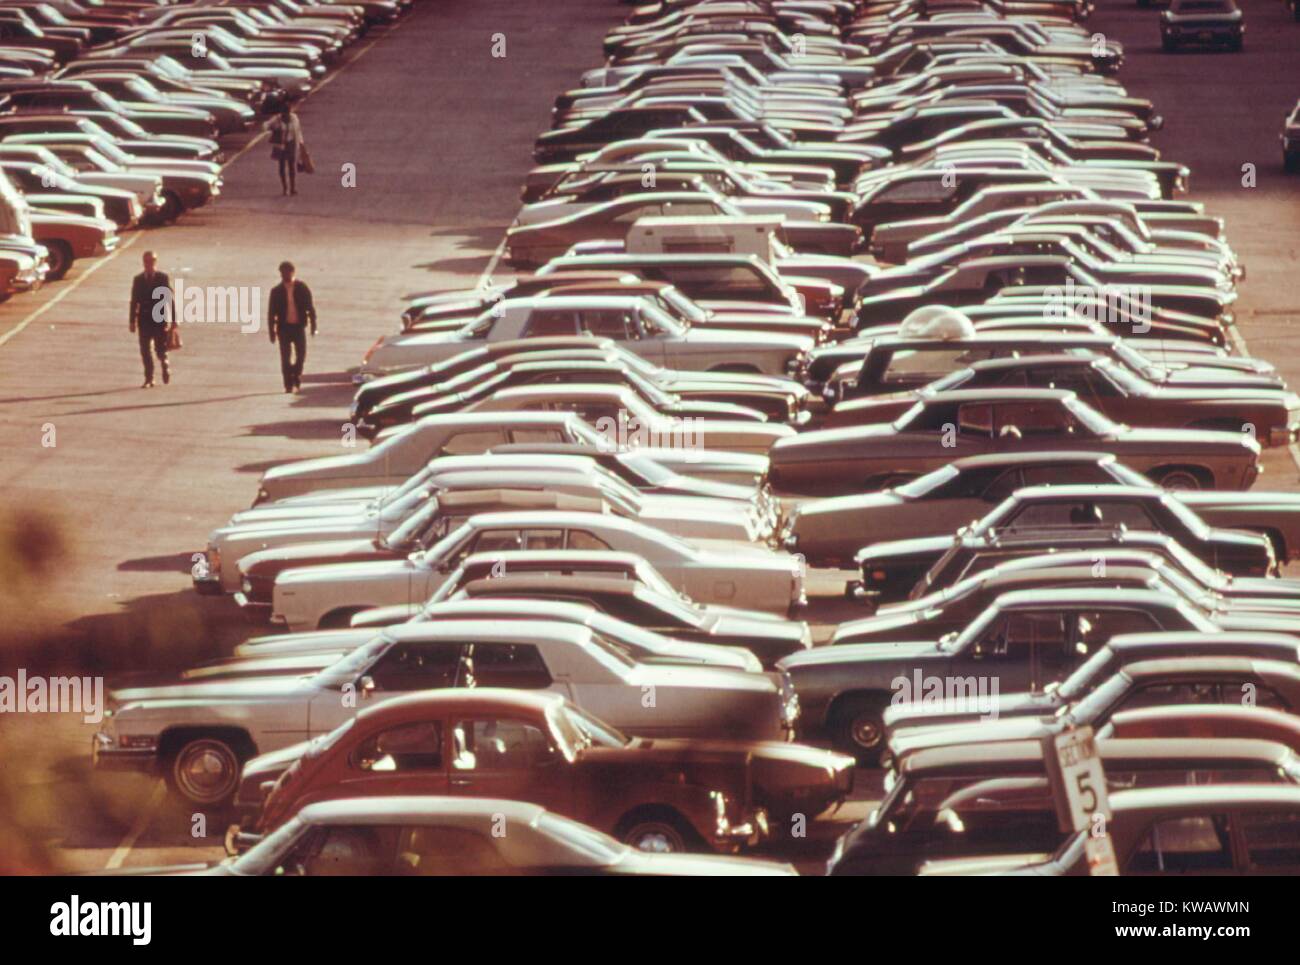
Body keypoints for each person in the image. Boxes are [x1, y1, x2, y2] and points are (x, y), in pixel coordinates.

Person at [128, 250, 176, 388]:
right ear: (143, 262)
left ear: (156, 262)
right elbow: (134, 301)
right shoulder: (138, 279)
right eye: (147, 261)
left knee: (160, 348)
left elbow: (169, 299)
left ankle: (164, 362)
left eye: (152, 261)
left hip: (159, 319)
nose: (149, 264)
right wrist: (132, 321)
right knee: (145, 350)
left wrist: (174, 320)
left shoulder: (162, 277)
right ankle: (149, 378)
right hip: (143, 320)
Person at [268, 261, 317, 394]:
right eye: (282, 272)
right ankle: (288, 384)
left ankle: (296, 375)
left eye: (287, 272)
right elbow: (271, 313)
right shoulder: (276, 291)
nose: (284, 275)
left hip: (298, 327)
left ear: (292, 272)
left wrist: (313, 325)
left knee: (301, 355)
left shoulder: (302, 288)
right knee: (285, 358)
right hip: (284, 329)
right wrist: (271, 332)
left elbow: (310, 308)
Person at [266, 106, 304, 196]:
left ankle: (292, 188)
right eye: (283, 114)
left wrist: (300, 143)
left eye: (287, 114)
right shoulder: (277, 119)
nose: (285, 116)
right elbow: (266, 126)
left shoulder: (294, 118)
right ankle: (285, 188)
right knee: (282, 166)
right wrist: (273, 127)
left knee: (291, 166)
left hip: (291, 144)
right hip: (280, 145)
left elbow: (298, 131)